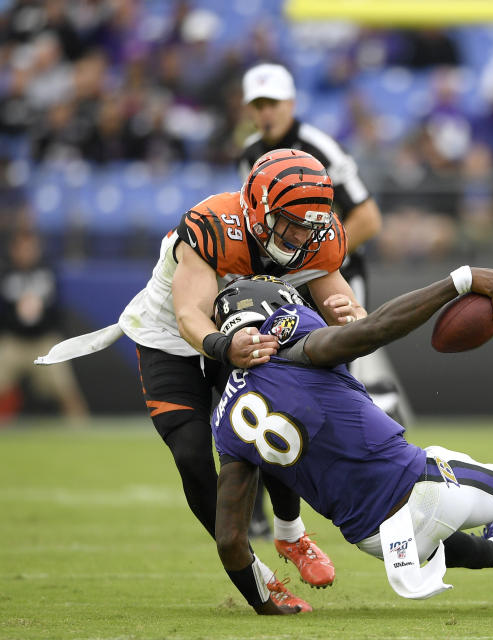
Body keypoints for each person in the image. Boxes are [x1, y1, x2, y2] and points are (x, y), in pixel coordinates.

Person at [36, 148, 363, 608]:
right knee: (191, 452)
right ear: (257, 206)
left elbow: (339, 302)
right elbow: (190, 314)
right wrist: (225, 346)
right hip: (171, 334)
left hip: (246, 330)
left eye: (308, 224)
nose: (298, 235)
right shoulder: (213, 225)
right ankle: (251, 571)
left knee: (273, 421)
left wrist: (355, 318)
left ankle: (291, 534)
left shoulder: (317, 235)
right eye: (288, 221)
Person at [209, 271, 493, 614]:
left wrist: (266, 607)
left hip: (374, 540)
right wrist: (459, 280)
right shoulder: (288, 341)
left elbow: (229, 540)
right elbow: (376, 330)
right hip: (422, 491)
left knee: (440, 529)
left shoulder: (226, 421)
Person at [238, 62, 405, 538]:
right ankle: (262, 504)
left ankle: (380, 472)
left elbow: (369, 218)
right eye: (258, 105)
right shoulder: (250, 153)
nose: (265, 113)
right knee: (265, 380)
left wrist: (313, 261)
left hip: (333, 278)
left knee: (347, 378)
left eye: (272, 104)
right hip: (279, 288)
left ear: (291, 104)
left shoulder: (318, 147)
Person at [0, 229, 88, 422]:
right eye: (22, 248)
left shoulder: (47, 271)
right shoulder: (5, 272)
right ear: (13, 249)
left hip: (43, 341)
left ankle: (81, 431)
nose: (27, 252)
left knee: (66, 389)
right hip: (13, 341)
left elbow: (57, 308)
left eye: (30, 247)